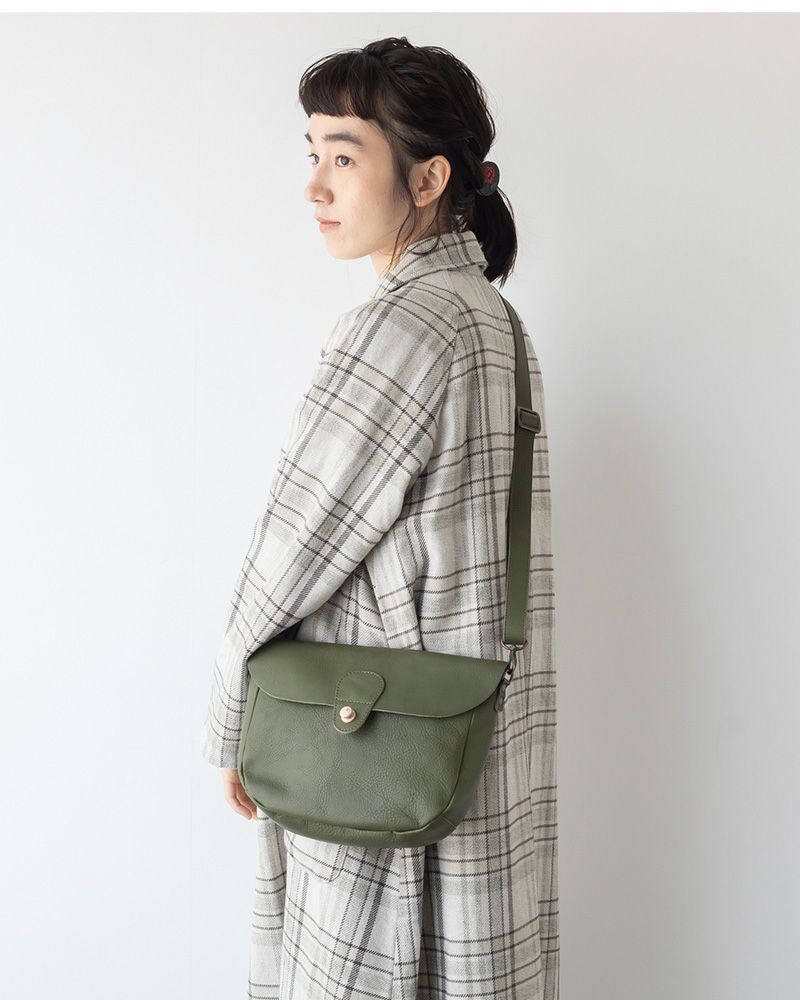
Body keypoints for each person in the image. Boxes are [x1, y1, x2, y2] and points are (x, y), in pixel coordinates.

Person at [202, 35, 559, 1000]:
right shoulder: (492, 319)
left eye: (345, 156)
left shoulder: (400, 327)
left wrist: (230, 718)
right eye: (312, 153)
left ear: (429, 178)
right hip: (467, 754)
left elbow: (291, 550)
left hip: (372, 756)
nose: (315, 186)